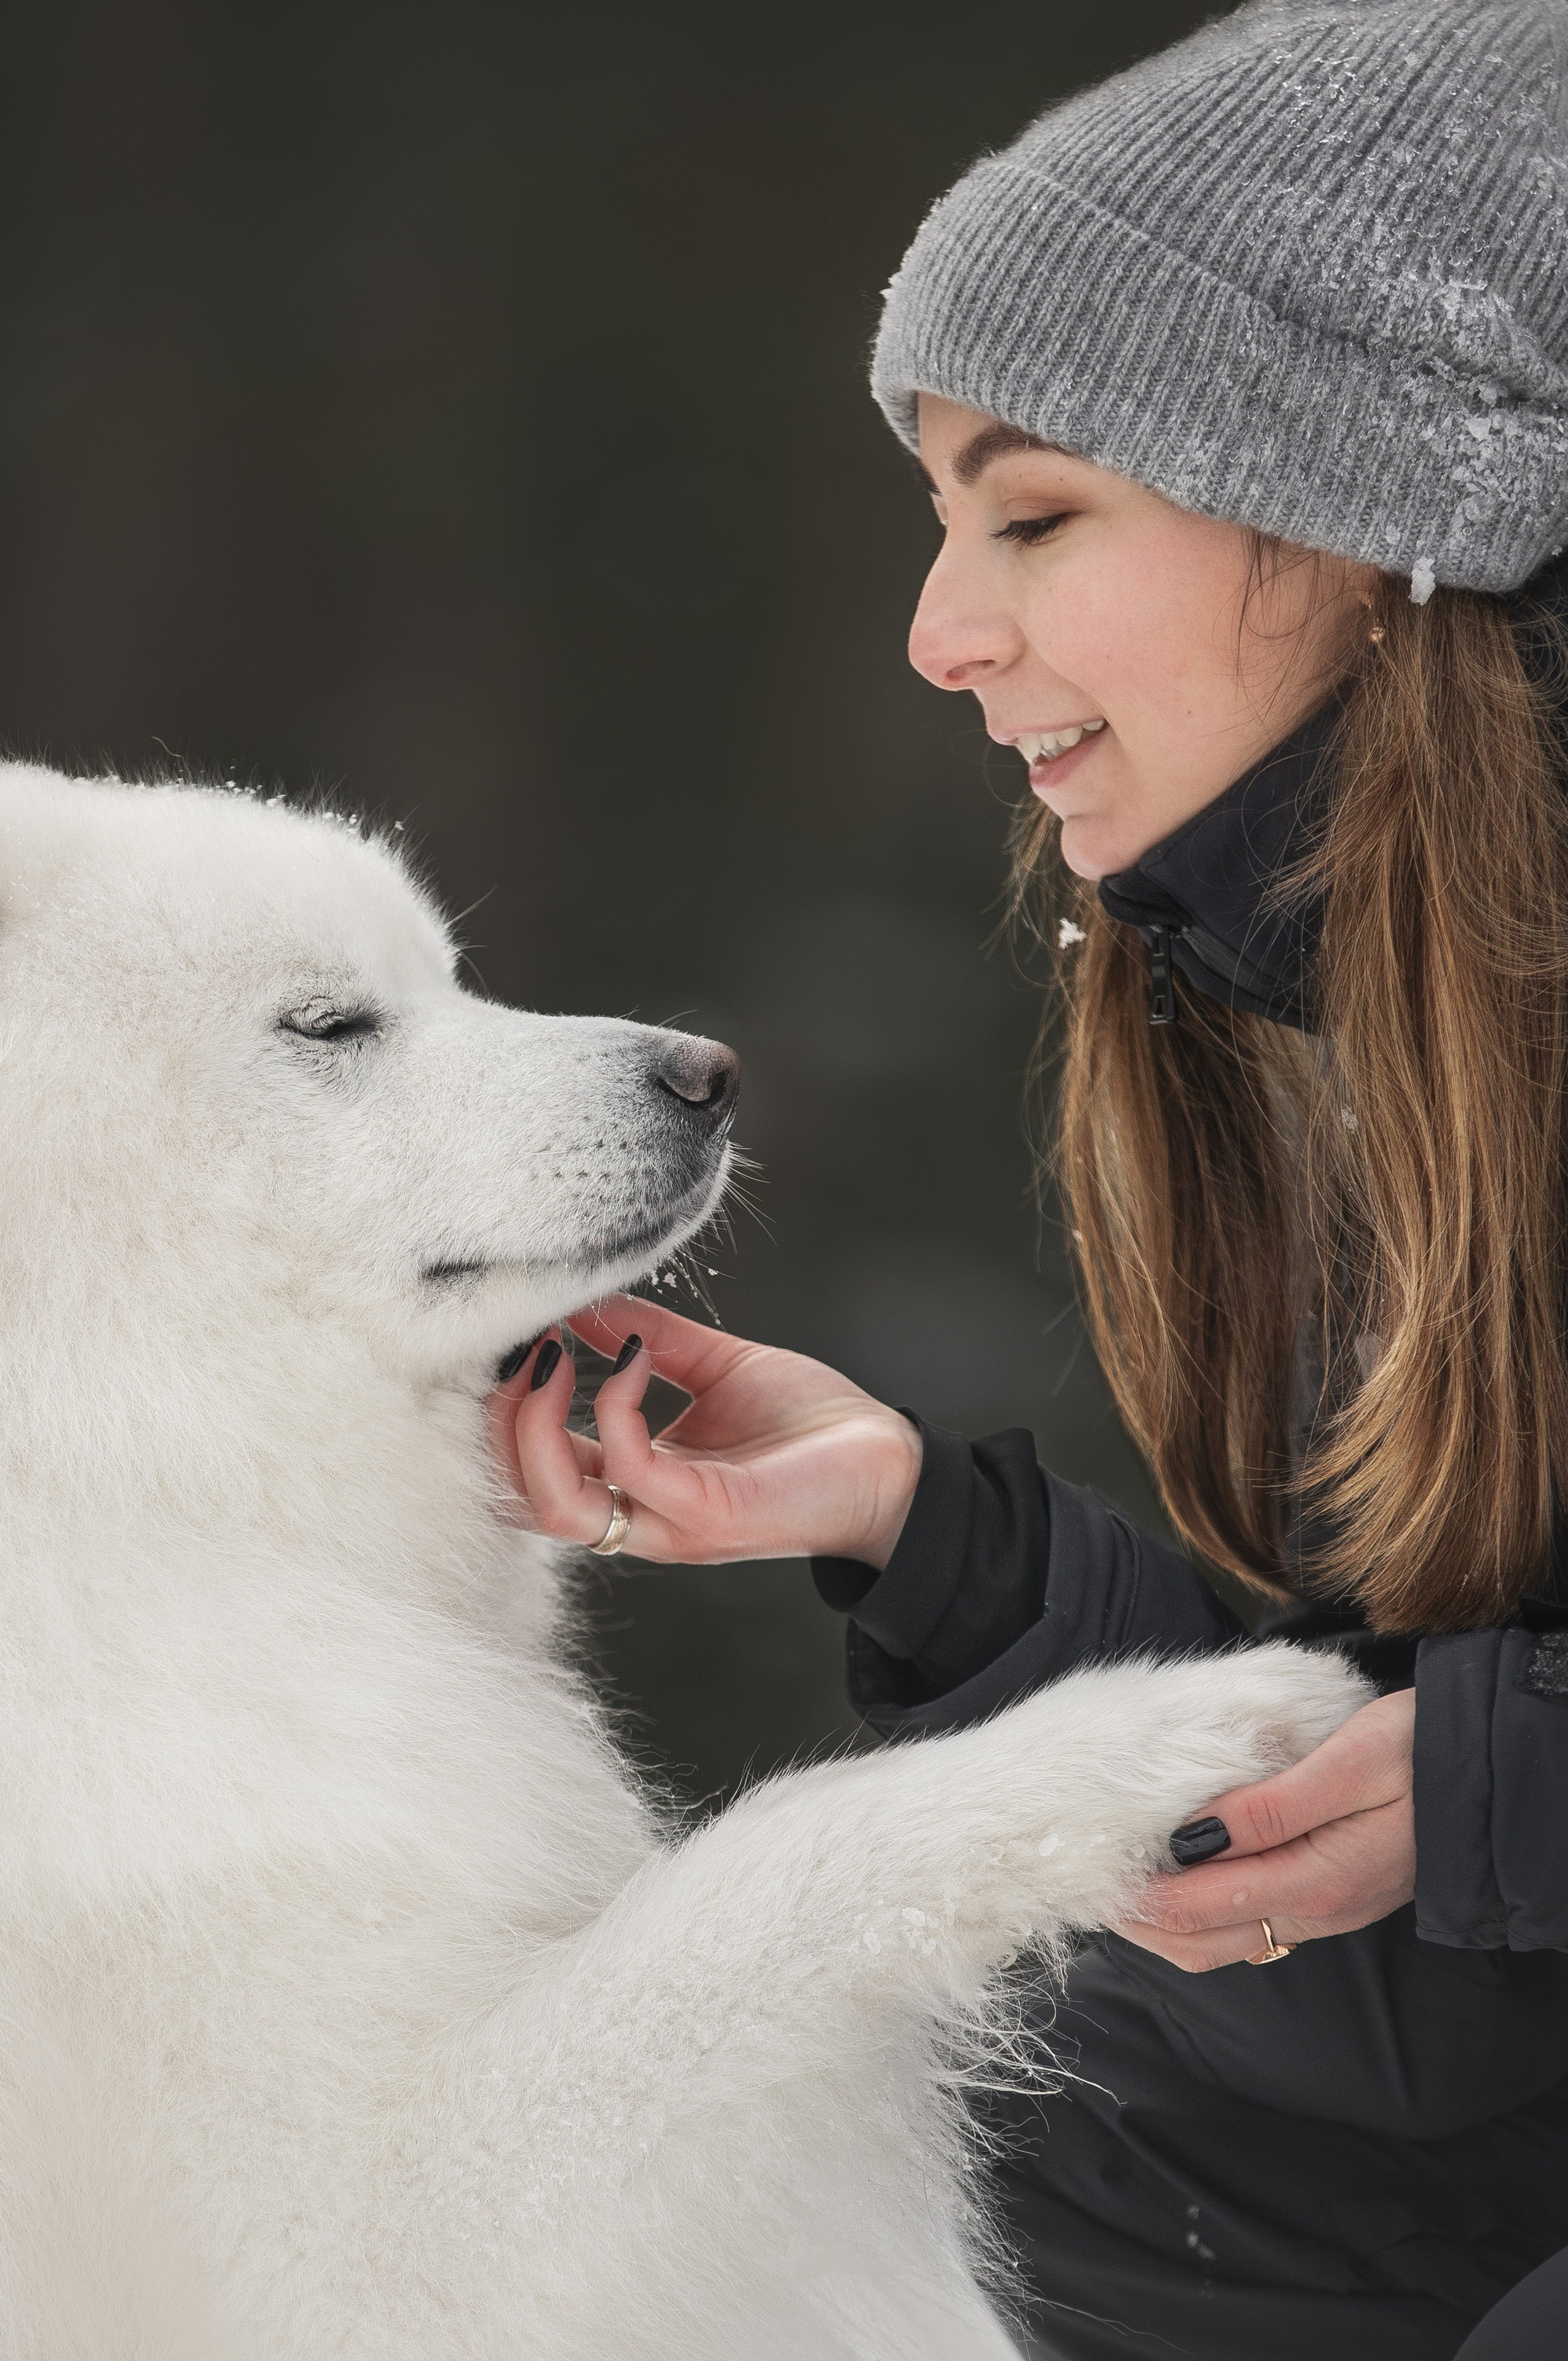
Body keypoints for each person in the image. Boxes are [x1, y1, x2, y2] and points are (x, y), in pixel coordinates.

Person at [492, 3, 1568, 2353]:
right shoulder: (1397, 1066)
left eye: (1039, 509)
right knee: (991, 2200)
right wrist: (936, 1550)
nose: (942, 634)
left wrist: (1515, 1780)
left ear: (1394, 506)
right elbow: (1415, 2031)